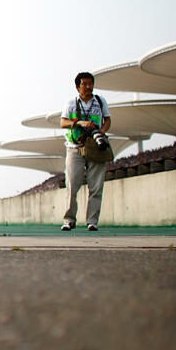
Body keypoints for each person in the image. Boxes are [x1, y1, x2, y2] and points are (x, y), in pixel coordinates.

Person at [60, 71, 112, 231]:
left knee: (96, 186)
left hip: (95, 147)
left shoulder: (100, 101)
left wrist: (101, 131)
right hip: (74, 147)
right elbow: (62, 123)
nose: (89, 87)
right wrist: (79, 123)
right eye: (85, 84)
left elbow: (108, 120)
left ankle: (92, 221)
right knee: (72, 184)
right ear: (77, 87)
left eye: (91, 83)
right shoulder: (70, 103)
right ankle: (69, 220)